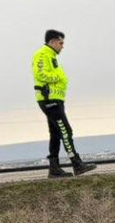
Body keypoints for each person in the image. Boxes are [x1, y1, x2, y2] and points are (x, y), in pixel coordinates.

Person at [32, 30, 95, 177]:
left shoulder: (51, 56)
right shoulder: (42, 54)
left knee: (55, 134)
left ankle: (54, 169)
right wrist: (59, 77)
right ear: (52, 42)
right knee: (66, 131)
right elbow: (40, 74)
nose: (62, 46)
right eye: (61, 43)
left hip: (55, 100)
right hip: (49, 100)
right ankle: (77, 164)